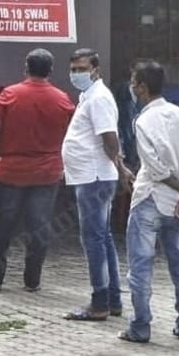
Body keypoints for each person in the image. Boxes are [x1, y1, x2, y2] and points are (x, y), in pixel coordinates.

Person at [0, 49, 75, 292]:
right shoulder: (63, 99)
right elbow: (72, 136)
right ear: (50, 71)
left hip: (11, 171)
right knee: (39, 226)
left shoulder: (9, 95)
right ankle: (32, 280)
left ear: (26, 68)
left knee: (2, 225)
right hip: (47, 173)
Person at [119, 60, 179, 344]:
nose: (131, 87)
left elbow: (154, 168)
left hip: (149, 199)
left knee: (140, 266)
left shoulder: (142, 121)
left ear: (142, 87)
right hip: (177, 204)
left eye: (133, 82)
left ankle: (140, 327)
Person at [61, 49, 127, 321]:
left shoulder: (99, 98)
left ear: (96, 70)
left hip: (95, 177)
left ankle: (99, 302)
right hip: (90, 175)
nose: (77, 73)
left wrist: (121, 168)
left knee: (93, 239)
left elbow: (109, 138)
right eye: (74, 68)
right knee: (102, 237)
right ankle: (112, 299)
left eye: (82, 68)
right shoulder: (89, 97)